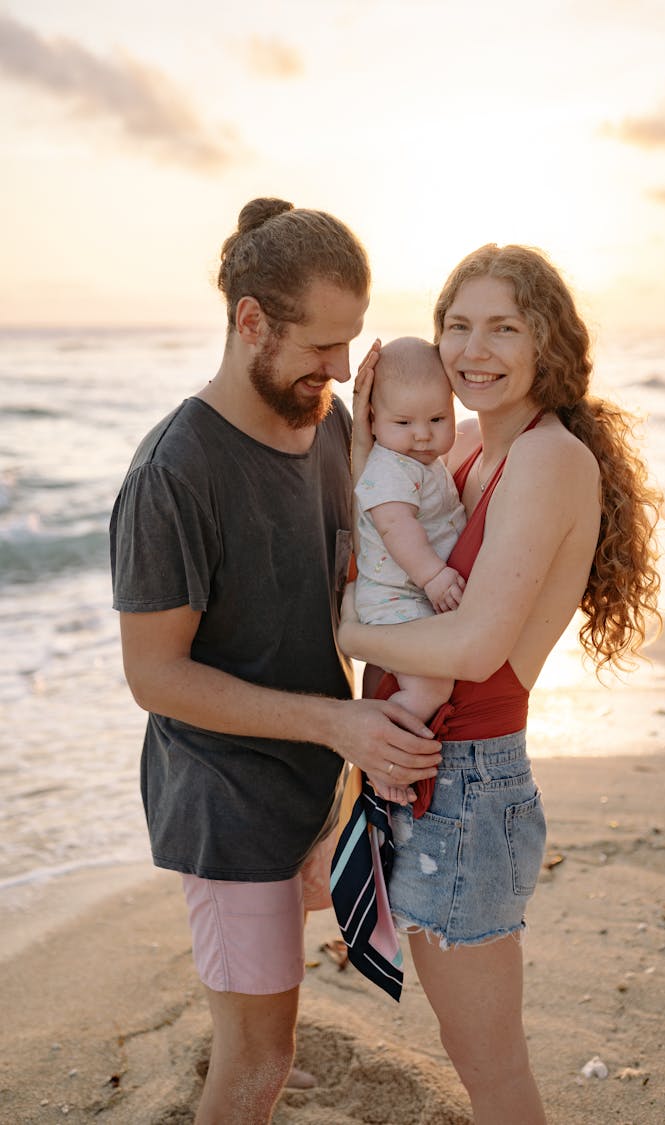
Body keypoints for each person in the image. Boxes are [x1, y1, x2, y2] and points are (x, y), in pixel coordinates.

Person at [109, 197, 442, 1125]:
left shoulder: (334, 426)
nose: (339, 370)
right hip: (225, 799)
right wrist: (339, 722)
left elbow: (345, 580)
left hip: (312, 784)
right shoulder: (173, 475)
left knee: (271, 1041)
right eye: (322, 347)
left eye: (352, 346)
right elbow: (156, 675)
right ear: (249, 320)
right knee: (257, 1058)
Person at [338, 243, 663, 1124]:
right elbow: (385, 509)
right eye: (457, 325)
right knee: (468, 1047)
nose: (473, 348)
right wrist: (367, 425)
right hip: (425, 767)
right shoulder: (470, 445)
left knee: (492, 1068)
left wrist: (338, 631)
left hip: (470, 785)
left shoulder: (550, 460)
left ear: (546, 341)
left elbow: (478, 647)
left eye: (503, 327)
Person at [354, 336, 466, 803]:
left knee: (432, 680)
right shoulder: (389, 471)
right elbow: (399, 530)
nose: (423, 434)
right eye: (404, 422)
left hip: (409, 594)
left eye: (438, 419)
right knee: (430, 685)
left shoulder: (420, 460)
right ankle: (382, 758)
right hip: (396, 598)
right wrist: (435, 577)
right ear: (374, 421)